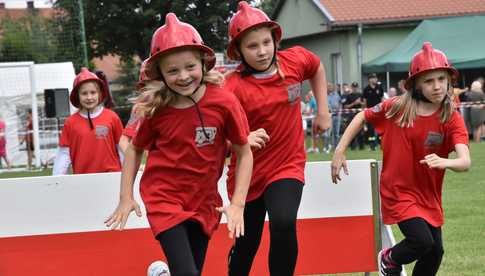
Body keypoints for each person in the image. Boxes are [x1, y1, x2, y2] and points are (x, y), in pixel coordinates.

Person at [104, 13, 253, 276]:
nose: (183, 76)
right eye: (172, 70)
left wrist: (238, 203)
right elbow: (135, 149)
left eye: (190, 67)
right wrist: (126, 197)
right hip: (164, 198)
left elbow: (243, 151)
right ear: (160, 73)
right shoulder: (157, 109)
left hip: (204, 203)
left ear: (204, 64)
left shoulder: (224, 103)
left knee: (190, 270)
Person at [331, 42, 471, 276]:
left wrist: (446, 162)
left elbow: (465, 161)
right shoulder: (396, 108)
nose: (437, 87)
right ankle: (389, 259)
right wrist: (339, 151)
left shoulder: (451, 118)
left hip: (428, 194)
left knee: (436, 251)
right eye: (429, 81)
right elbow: (360, 117)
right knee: (422, 241)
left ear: (449, 80)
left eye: (441, 79)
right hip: (398, 190)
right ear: (415, 84)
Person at [224, 2, 331, 275]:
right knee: (248, 243)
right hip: (247, 173)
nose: (262, 51)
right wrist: (242, 138)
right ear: (238, 51)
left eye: (266, 42)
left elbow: (317, 67)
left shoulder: (295, 61)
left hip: (287, 164)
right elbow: (218, 138)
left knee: (283, 222)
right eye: (252, 46)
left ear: (275, 40)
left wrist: (323, 111)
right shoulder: (231, 86)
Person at [52, 68, 124, 175]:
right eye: (84, 93)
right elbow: (64, 154)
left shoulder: (112, 117)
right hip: (82, 180)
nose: (89, 97)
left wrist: (128, 173)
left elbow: (122, 148)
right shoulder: (70, 123)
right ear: (77, 95)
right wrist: (57, 180)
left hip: (112, 176)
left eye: (93, 92)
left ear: (99, 93)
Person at [363, 73, 384, 150]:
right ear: (370, 80)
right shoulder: (366, 89)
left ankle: (380, 144)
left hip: (379, 112)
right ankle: (372, 145)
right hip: (370, 112)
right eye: (373, 78)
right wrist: (365, 110)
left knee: (380, 128)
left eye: (376, 78)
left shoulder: (379, 87)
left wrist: (383, 109)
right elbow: (365, 101)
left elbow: (382, 99)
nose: (375, 79)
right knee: (371, 129)